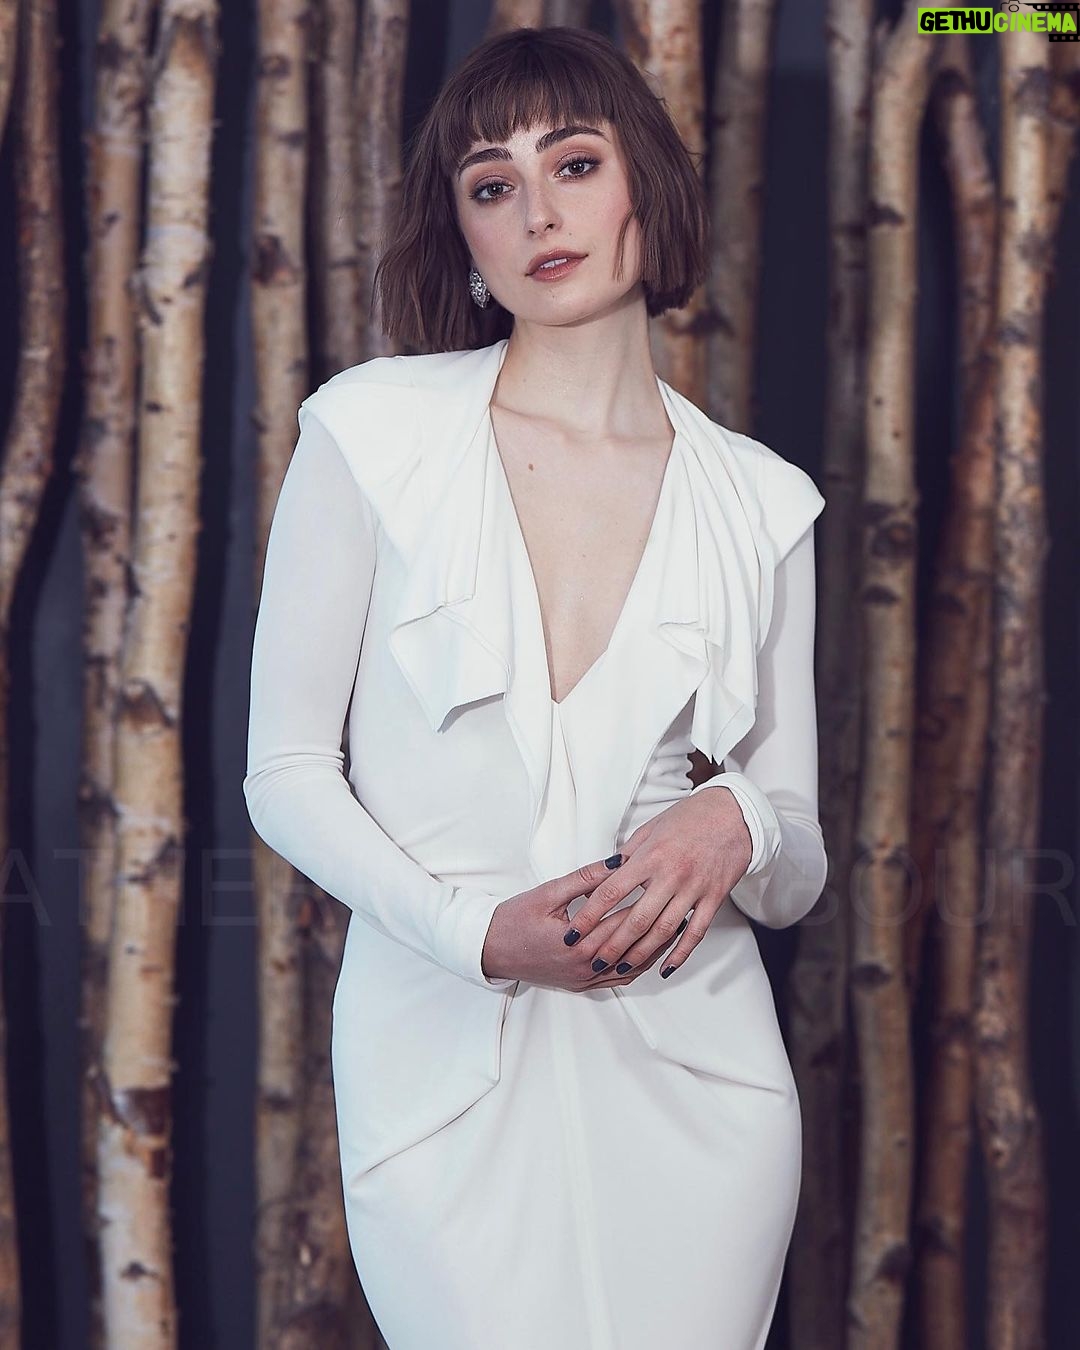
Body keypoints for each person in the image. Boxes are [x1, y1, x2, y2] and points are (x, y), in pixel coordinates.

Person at [243, 25, 828, 1350]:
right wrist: (473, 935)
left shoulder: (765, 504)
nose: (538, 213)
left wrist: (737, 815)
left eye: (574, 163)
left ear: (645, 189)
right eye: (491, 185)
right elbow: (283, 772)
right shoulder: (370, 433)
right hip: (439, 1067)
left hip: (701, 1086)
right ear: (463, 234)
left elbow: (794, 871)